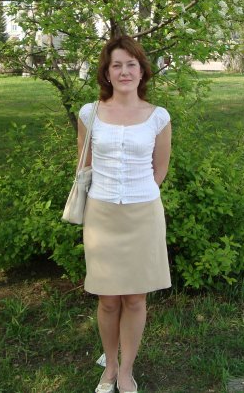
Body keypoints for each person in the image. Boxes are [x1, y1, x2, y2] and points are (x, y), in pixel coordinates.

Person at [77, 35, 172, 393]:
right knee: (107, 299)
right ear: (107, 73)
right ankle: (110, 367)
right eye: (116, 65)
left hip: (143, 215)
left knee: (134, 298)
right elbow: (84, 166)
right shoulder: (90, 114)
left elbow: (159, 170)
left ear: (142, 71)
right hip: (101, 216)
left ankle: (127, 370)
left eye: (131, 64)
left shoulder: (158, 117)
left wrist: (135, 195)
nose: (124, 71)